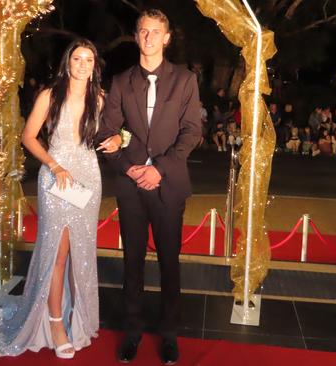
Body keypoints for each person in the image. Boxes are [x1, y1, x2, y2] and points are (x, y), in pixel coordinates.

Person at [0, 39, 118, 359]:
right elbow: (29, 136)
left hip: (88, 180)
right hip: (56, 179)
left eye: (89, 59)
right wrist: (55, 165)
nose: (83, 64)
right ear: (68, 62)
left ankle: (77, 319)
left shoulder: (100, 98)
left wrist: (115, 141)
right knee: (57, 252)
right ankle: (55, 323)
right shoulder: (49, 95)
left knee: (81, 253)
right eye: (77, 58)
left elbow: (110, 134)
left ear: (95, 65)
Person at [96, 9, 201, 365]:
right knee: (133, 264)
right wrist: (128, 169)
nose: (149, 37)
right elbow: (106, 132)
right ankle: (133, 332)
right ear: (136, 36)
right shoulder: (122, 81)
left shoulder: (185, 79)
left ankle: (169, 335)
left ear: (167, 38)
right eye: (143, 31)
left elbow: (191, 132)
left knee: (170, 264)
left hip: (168, 185)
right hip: (131, 186)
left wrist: (160, 169)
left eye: (155, 32)